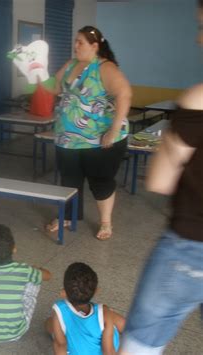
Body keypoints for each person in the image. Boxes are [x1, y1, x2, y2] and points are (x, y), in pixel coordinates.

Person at [120, 2, 203, 352]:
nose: (199, 38)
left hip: (191, 248)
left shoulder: (199, 98)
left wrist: (167, 144)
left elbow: (159, 182)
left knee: (139, 346)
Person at [45, 26, 132, 240]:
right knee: (69, 179)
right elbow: (54, 87)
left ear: (95, 46)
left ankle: (105, 222)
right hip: (68, 138)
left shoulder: (104, 67)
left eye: (80, 42)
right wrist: (34, 73)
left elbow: (125, 94)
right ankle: (67, 216)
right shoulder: (70, 64)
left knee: (99, 181)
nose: (75, 46)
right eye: (75, 41)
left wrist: (113, 130)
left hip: (98, 139)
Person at [0, 224, 52, 342]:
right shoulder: (24, 270)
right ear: (14, 248)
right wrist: (36, 269)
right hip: (15, 332)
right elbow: (48, 275)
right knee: (34, 279)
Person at [45, 262, 125, 355]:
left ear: (63, 293)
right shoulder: (104, 312)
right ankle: (133, 332)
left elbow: (60, 345)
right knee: (110, 316)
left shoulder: (59, 309)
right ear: (96, 291)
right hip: (104, 325)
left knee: (50, 323)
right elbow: (108, 351)